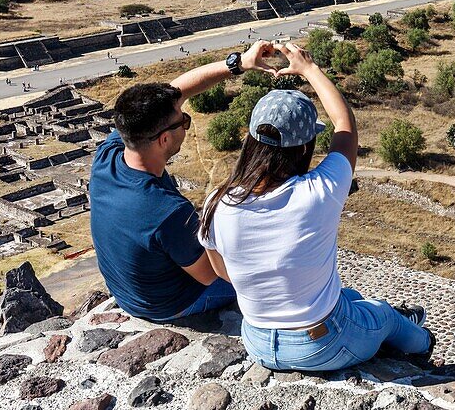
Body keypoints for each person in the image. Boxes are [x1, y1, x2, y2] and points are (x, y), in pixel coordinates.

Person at [198, 42, 433, 371]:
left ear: (250, 139)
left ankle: (396, 322)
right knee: (382, 315)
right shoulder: (318, 191)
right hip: (322, 344)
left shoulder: (217, 203)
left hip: (257, 340)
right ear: (306, 146)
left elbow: (225, 273)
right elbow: (344, 124)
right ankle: (424, 345)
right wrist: (309, 68)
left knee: (348, 297)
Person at [89, 40, 280, 322]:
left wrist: (238, 63)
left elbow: (176, 91)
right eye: (184, 121)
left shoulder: (109, 156)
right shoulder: (167, 211)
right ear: (164, 138)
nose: (186, 123)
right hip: (168, 304)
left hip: (127, 292)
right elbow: (210, 275)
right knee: (271, 273)